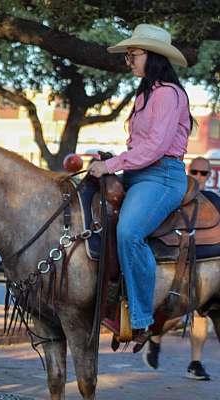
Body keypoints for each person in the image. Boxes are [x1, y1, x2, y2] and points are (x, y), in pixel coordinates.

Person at [89, 24, 195, 344]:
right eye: (128, 56)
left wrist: (109, 164)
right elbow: (139, 148)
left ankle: (141, 318)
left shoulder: (168, 94)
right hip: (140, 172)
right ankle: (105, 297)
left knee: (128, 232)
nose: (129, 61)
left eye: (133, 55)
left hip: (162, 176)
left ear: (153, 57)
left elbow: (155, 148)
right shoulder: (146, 94)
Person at [143, 157, 218, 380]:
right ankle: (154, 336)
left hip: (207, 267)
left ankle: (195, 362)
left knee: (202, 313)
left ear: (209, 175)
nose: (198, 176)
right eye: (194, 171)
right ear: (189, 171)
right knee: (174, 312)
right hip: (179, 264)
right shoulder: (175, 199)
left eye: (203, 173)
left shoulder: (214, 201)